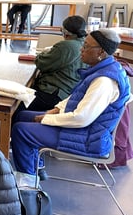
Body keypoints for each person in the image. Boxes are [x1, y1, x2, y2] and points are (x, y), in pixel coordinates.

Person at [11, 28, 131, 187]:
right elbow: (76, 97)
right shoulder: (103, 68)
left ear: (100, 52)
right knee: (22, 116)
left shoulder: (104, 81)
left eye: (86, 46)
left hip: (89, 138)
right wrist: (56, 109)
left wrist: (48, 118)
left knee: (21, 130)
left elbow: (81, 118)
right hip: (85, 128)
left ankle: (27, 186)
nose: (81, 49)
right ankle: (35, 166)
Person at [23, 15, 88, 112]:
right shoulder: (85, 44)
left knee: (18, 102)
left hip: (54, 93)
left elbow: (41, 63)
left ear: (65, 32)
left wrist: (43, 53)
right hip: (69, 94)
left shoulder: (66, 46)